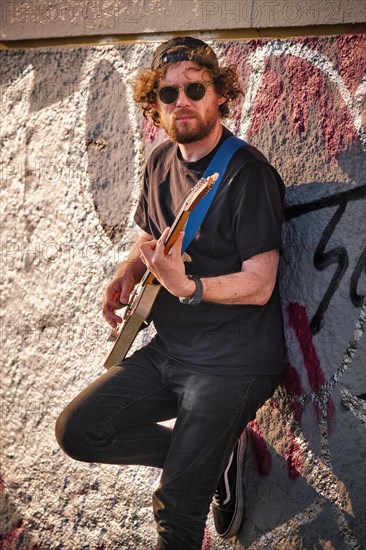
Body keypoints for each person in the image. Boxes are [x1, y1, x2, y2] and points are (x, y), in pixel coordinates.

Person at [55, 36, 286, 549]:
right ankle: (214, 456)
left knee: (177, 511)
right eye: (168, 94)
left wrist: (190, 286)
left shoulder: (249, 175)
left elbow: (260, 282)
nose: (181, 101)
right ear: (153, 106)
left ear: (219, 94)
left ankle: (200, 464)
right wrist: (128, 269)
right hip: (172, 354)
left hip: (234, 363)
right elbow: (150, 236)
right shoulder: (160, 161)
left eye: (195, 88)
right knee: (79, 430)